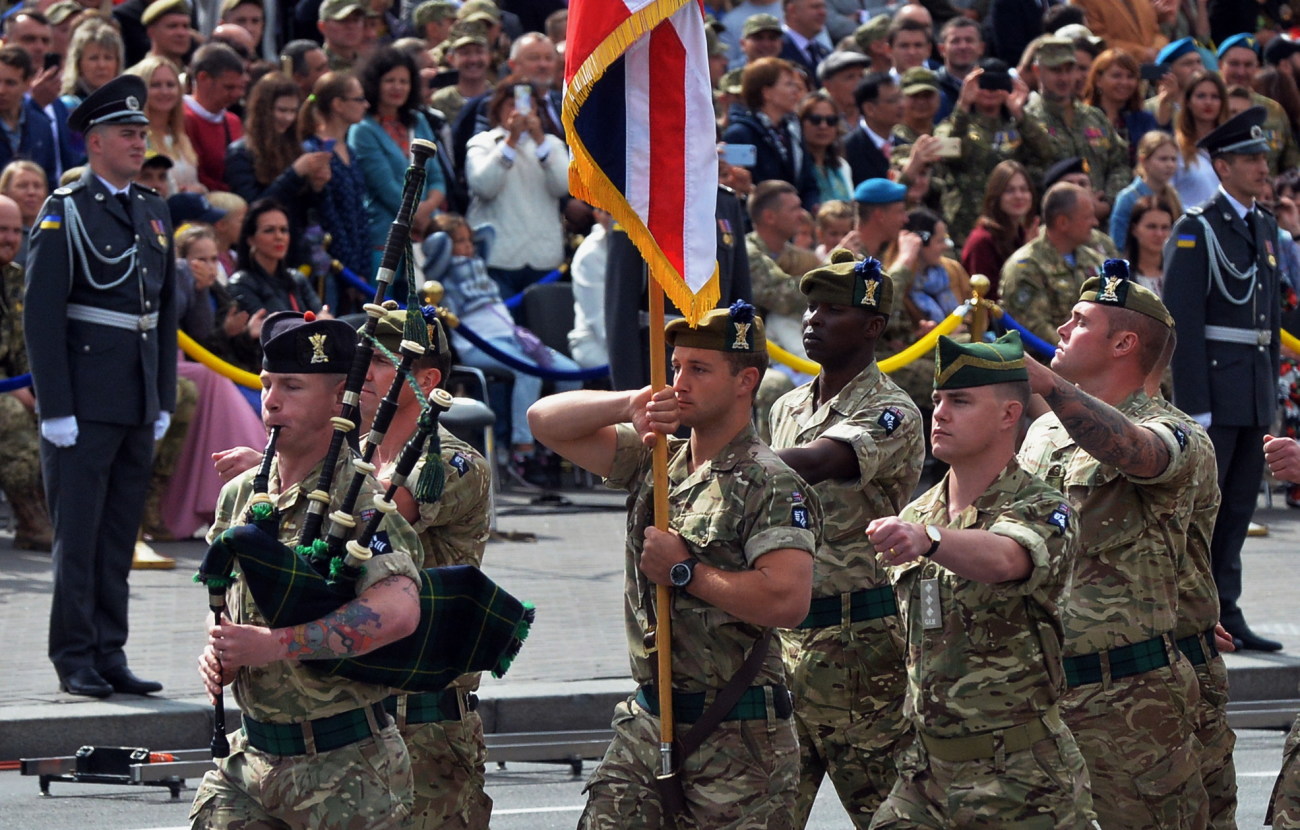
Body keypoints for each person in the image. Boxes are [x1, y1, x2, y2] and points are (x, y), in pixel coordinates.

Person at [527, 301, 820, 829]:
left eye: (699, 370)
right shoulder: (657, 458)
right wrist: (632, 402)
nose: (679, 382)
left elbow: (787, 600)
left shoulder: (770, 481)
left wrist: (686, 571)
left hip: (737, 735)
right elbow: (544, 422)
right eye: (676, 367)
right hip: (647, 719)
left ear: (745, 381)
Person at [188, 310, 423, 828]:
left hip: (342, 768)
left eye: (292, 387)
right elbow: (225, 597)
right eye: (267, 383)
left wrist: (274, 645)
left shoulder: (360, 502)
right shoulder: (242, 495)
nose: (270, 400)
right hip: (247, 759)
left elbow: (399, 611)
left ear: (341, 396)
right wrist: (219, 646)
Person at [866, 329, 1094, 827]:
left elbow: (1006, 559)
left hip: (1018, 778)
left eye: (961, 401)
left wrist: (931, 540)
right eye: (938, 400)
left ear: (1009, 415)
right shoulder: (921, 510)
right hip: (925, 773)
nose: (940, 413)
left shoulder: (1042, 507)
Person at [24, 74, 176, 698]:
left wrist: (161, 398)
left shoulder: (152, 208)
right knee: (79, 537)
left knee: (118, 537)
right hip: (84, 403)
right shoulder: (66, 210)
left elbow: (162, 314)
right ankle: (75, 656)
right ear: (94, 142)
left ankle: (110, 651)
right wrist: (55, 407)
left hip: (135, 397)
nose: (139, 141)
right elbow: (42, 315)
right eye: (126, 133)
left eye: (142, 132)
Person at [768, 251, 923, 828]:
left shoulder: (891, 411)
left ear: (873, 327)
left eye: (833, 310)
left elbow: (816, 461)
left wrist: (713, 466)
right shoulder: (785, 407)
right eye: (810, 307)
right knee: (765, 811)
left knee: (887, 814)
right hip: (787, 642)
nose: (812, 320)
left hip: (860, 647)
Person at [358, 309, 494, 829]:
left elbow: (370, 516)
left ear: (427, 379)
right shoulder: (353, 458)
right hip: (357, 713)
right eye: (360, 359)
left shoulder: (453, 464)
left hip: (425, 724)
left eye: (379, 360)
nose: (363, 374)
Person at [1162, 106, 1283, 653]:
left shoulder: (1264, 227)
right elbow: (1182, 319)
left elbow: (1269, 322)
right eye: (1250, 158)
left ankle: (1227, 613)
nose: (1263, 166)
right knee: (1203, 516)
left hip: (1252, 389)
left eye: (1263, 156)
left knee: (1237, 510)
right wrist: (1195, 405)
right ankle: (1194, 616)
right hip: (1214, 389)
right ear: (1221, 165)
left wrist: (1270, 396)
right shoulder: (1197, 229)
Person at [423, 212, 580, 479]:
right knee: (528, 372)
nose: (469, 247)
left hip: (515, 339)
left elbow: (488, 233)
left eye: (469, 241)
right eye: (460, 242)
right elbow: (438, 251)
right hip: (481, 345)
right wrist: (443, 240)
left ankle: (557, 444)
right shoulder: (440, 274)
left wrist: (464, 235)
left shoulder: (478, 265)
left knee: (571, 373)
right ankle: (523, 448)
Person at [463, 76, 569, 298]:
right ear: (498, 110)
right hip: (498, 258)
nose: (520, 111)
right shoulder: (483, 143)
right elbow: (484, 186)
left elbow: (563, 186)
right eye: (512, 104)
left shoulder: (552, 145)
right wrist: (511, 141)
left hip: (543, 257)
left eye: (527, 104)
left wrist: (540, 141)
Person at [932, 58, 1053, 248]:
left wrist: (1019, 113)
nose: (990, 90)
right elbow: (945, 152)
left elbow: (1048, 153)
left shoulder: (1019, 126)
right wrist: (963, 105)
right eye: (984, 84)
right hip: (965, 228)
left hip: (1014, 226)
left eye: (998, 84)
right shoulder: (954, 124)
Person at [349, 46, 445, 274]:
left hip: (425, 235)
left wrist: (428, 210)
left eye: (404, 81)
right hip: (384, 239)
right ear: (375, 83)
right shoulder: (363, 129)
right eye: (390, 80)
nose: (398, 87)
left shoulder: (418, 120)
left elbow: (437, 178)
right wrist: (418, 214)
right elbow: (385, 188)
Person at [1025, 37, 1130, 218]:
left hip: (1099, 225)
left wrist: (1107, 203)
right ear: (1037, 71)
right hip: (1053, 224)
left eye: (1069, 70)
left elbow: (1120, 163)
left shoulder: (1094, 117)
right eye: (1056, 71)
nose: (1064, 78)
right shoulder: (1027, 120)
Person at [0, 193, 52, 551]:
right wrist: (9, 387)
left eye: (15, 230)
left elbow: (29, 343)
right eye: (0, 229)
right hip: (6, 393)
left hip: (22, 383)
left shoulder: (21, 279)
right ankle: (30, 518)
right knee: (13, 414)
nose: (9, 238)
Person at [296, 70, 371, 309]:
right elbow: (328, 214)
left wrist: (362, 268)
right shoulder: (314, 149)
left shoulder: (349, 150)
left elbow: (358, 213)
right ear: (338, 104)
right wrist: (349, 269)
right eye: (358, 99)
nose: (365, 104)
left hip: (356, 262)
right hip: (330, 267)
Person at [1001, 182, 1106, 348]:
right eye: (1088, 217)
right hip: (1050, 364)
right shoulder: (1026, 267)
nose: (1095, 222)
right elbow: (1034, 331)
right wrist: (1082, 353)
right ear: (1063, 222)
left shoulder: (1093, 260)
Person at [723, 57, 818, 209]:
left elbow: (807, 181)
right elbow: (736, 191)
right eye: (788, 84)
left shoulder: (792, 132)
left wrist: (812, 208)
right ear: (767, 93)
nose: (796, 91)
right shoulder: (740, 134)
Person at [228, 199, 325, 320]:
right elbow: (270, 327)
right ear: (251, 239)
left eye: (283, 230)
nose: (279, 236)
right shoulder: (241, 283)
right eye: (269, 230)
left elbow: (321, 315)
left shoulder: (297, 278)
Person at [960, 159, 1037, 299]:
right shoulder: (982, 241)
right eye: (1010, 190)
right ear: (996, 196)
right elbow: (987, 299)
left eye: (1024, 189)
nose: (1018, 196)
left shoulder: (1022, 235)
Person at [128, 55, 203, 194]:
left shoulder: (181, 137)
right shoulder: (136, 139)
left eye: (170, 85)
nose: (165, 91)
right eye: (155, 85)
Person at [183, 43, 248, 193]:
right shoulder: (182, 118)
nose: (237, 95)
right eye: (229, 87)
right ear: (203, 78)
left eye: (240, 88)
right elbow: (198, 175)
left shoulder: (233, 121)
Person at [1084, 49, 1159, 167]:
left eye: (1130, 76)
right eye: (1116, 76)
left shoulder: (1144, 121)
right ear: (1098, 80)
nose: (1124, 82)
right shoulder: (1083, 117)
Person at [1110, 131, 1183, 246]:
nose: (1170, 165)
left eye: (1173, 159)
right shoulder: (1127, 198)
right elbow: (1117, 245)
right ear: (1144, 161)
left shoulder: (1173, 196)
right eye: (1163, 159)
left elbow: (1182, 237)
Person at [900, 208, 969, 327]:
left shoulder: (953, 269)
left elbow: (976, 311)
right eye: (940, 241)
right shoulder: (902, 282)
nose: (945, 246)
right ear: (919, 242)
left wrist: (964, 326)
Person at [1172, 71, 1228, 211]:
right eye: (1201, 96)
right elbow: (1167, 196)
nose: (1208, 102)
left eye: (1215, 97)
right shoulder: (1175, 148)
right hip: (1188, 229)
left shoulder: (1231, 146)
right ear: (1188, 102)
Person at [799, 91, 852, 205]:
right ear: (800, 122)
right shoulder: (796, 166)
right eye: (815, 119)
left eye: (831, 120)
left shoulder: (842, 166)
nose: (823, 126)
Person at [0, 160, 47, 267]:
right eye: (22, 186)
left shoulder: (55, 234)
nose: (31, 192)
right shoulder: (7, 240)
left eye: (37, 186)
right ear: (4, 192)